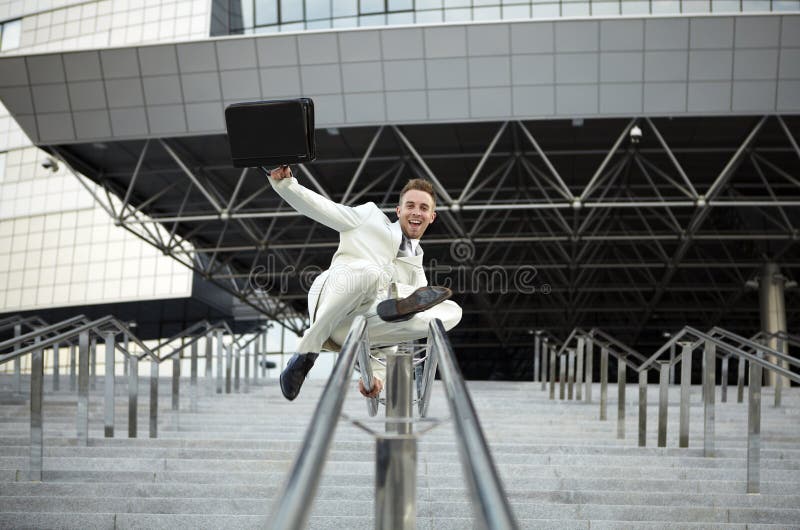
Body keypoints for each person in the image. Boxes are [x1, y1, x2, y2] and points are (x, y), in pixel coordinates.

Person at [268, 166, 462, 401]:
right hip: (336, 295)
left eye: (424, 208)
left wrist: (376, 375)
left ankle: (399, 302)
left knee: (452, 311)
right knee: (371, 273)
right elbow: (322, 208)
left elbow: (393, 336)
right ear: (398, 210)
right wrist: (286, 184)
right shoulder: (368, 218)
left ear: (432, 216)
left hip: (355, 328)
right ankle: (305, 353)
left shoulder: (417, 277)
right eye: (410, 206)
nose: (416, 212)